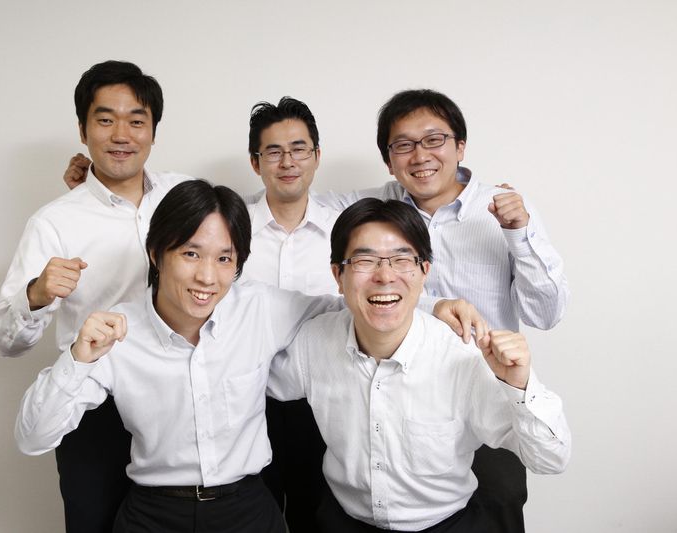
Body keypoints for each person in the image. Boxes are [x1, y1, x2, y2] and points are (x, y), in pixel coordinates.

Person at [15, 180, 344, 533]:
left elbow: (349, 312)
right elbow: (32, 438)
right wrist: (78, 359)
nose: (207, 277)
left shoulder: (260, 307)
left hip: (247, 509)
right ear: (156, 253)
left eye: (224, 258)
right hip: (154, 513)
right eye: (191, 254)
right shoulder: (118, 330)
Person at [318, 89, 570, 531]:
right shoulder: (374, 212)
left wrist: (519, 232)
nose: (420, 156)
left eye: (434, 140)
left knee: (498, 507)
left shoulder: (503, 208)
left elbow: (547, 314)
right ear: (388, 160)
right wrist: (434, 305)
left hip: (485, 391)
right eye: (403, 145)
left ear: (460, 146)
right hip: (407, 397)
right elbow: (298, 209)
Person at [269, 198, 571, 533]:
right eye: (365, 260)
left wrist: (520, 385)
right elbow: (254, 380)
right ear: (338, 275)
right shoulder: (314, 342)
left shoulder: (463, 356)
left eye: (402, 260)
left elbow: (551, 458)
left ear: (425, 271)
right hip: (343, 520)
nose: (385, 276)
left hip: (446, 523)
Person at [0, 60, 191, 533]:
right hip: (96, 408)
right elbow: (4, 340)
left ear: (153, 132)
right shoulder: (55, 222)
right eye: (105, 120)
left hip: (178, 398)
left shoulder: (183, 195)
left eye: (136, 121)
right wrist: (36, 293)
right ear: (82, 130)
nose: (121, 134)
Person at [242, 97, 339, 530]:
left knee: (316, 519)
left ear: (316, 156)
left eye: (299, 149)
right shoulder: (229, 227)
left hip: (324, 403)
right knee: (251, 520)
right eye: (274, 151)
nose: (288, 162)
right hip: (245, 401)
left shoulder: (344, 229)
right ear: (255, 162)